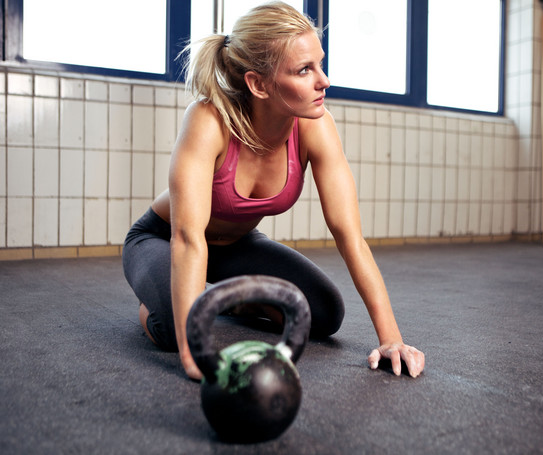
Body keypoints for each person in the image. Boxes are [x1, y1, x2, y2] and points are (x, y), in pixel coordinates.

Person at [122, 1, 424, 381]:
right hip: (163, 239)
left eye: (320, 64)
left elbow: (350, 236)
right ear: (258, 84)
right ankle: (161, 298)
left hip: (237, 248)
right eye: (304, 70)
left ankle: (228, 298)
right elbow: (186, 237)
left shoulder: (316, 126)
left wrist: (391, 339)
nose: (324, 80)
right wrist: (193, 353)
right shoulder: (209, 120)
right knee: (174, 326)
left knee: (323, 313)